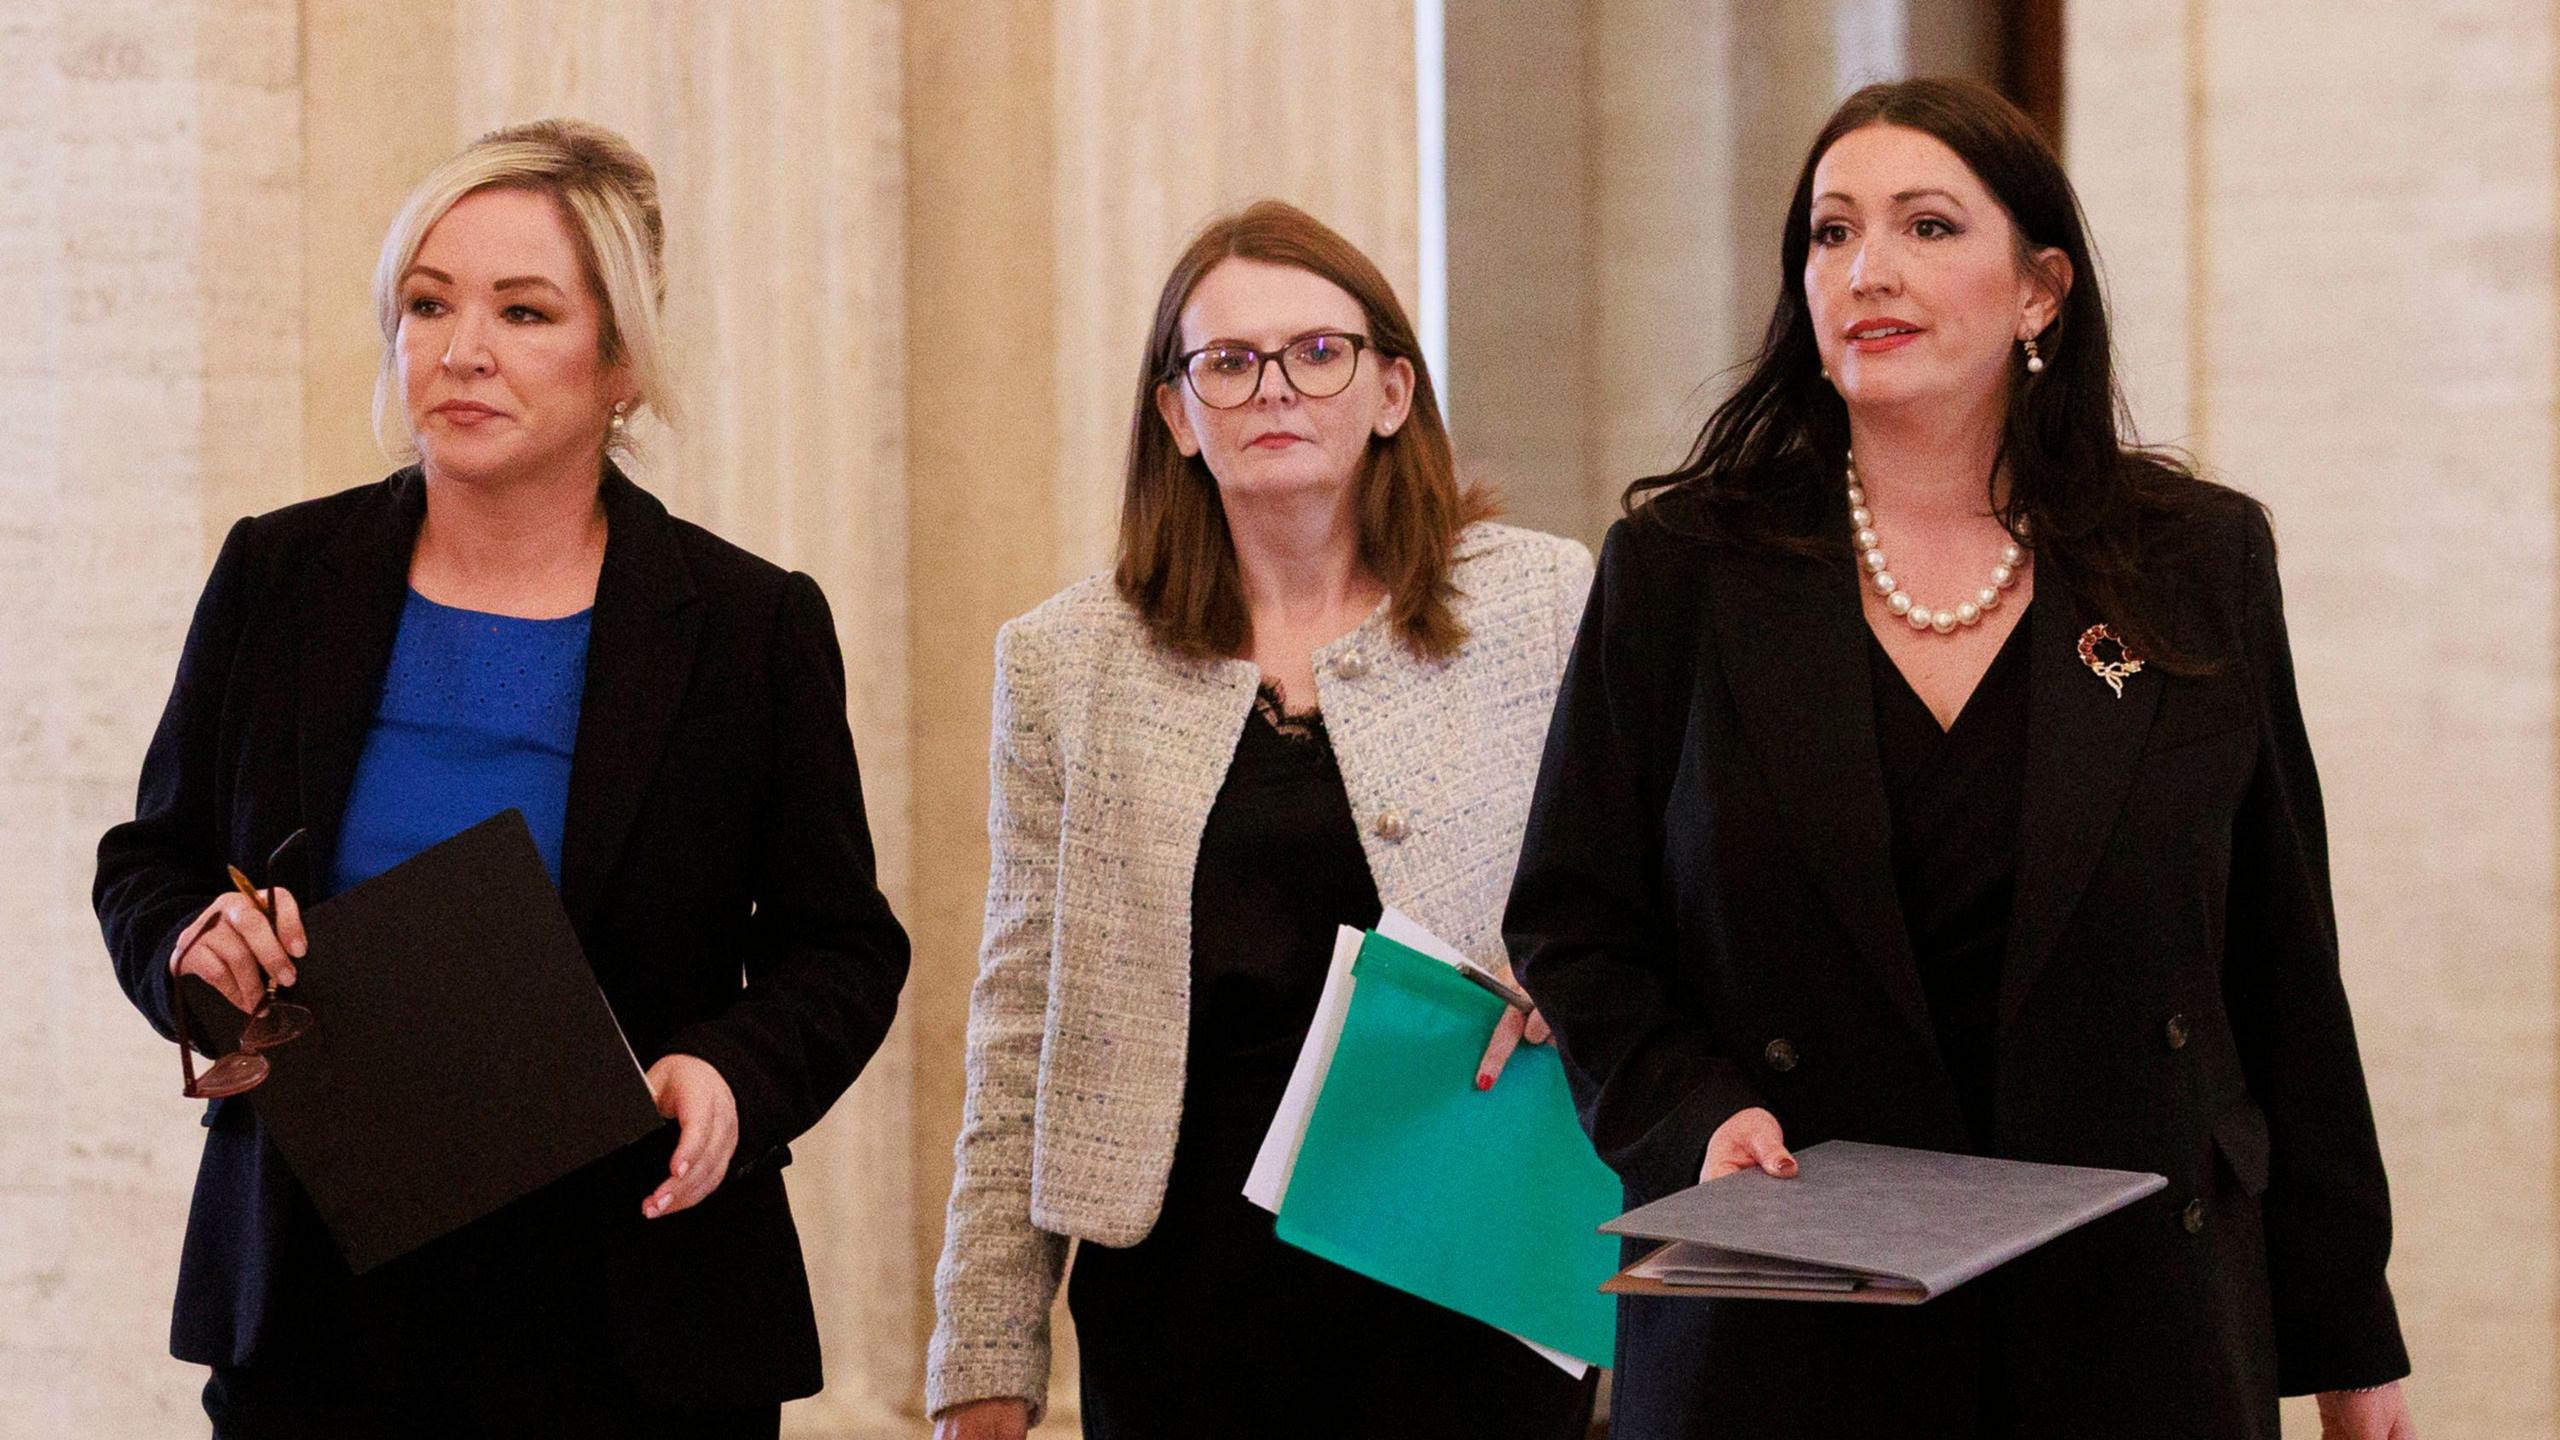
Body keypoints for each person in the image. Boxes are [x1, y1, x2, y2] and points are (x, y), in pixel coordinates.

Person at [1505, 78, 2414, 1440]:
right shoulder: (1684, 569)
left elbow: (2282, 966)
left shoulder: (2193, 561)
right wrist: (1693, 1114)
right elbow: (1575, 920)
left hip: (2131, 1326)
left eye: (1928, 227)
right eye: (1830, 233)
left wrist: (2347, 1337)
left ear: (2040, 290)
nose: (1867, 268)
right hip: (1789, 1309)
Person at [92, 119, 910, 1437]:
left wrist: (727, 1074)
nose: (462, 349)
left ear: (623, 365)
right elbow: (152, 863)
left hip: (631, 1306)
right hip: (318, 1296)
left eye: (523, 311)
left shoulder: (747, 626)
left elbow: (841, 949)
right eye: (428, 303)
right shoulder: (279, 577)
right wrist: (197, 944)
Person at [926, 200, 1595, 1440]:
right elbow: (1021, 1011)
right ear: (1177, 414)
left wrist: (1586, 981)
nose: (1273, 388)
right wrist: (985, 1350)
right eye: (1226, 364)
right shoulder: (1069, 662)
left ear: (1392, 387)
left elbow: (1638, 889)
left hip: (1466, 1247)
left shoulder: (1542, 603)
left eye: (1316, 353)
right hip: (1183, 1281)